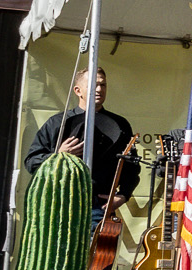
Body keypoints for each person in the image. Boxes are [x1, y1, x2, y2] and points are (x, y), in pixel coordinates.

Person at [23, 65, 140, 220]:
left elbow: (131, 167)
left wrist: (123, 195)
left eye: (103, 85)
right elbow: (31, 162)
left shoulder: (120, 125)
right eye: (93, 85)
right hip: (59, 205)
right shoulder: (57, 123)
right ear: (77, 91)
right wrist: (59, 156)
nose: (99, 90)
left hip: (99, 206)